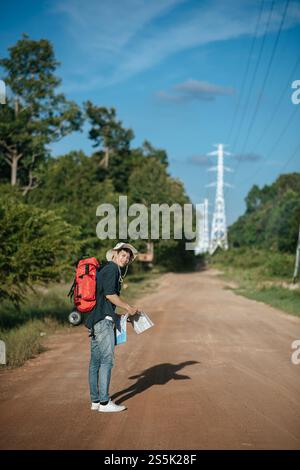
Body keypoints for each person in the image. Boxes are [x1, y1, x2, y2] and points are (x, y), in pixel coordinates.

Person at [86, 242, 140, 413]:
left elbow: (104, 300)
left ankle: (95, 401)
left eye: (128, 257)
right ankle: (104, 403)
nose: (126, 259)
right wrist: (128, 307)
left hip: (96, 320)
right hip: (102, 322)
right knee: (107, 361)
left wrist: (122, 317)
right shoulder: (112, 270)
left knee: (95, 362)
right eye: (123, 255)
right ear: (115, 254)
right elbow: (110, 295)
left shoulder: (105, 270)